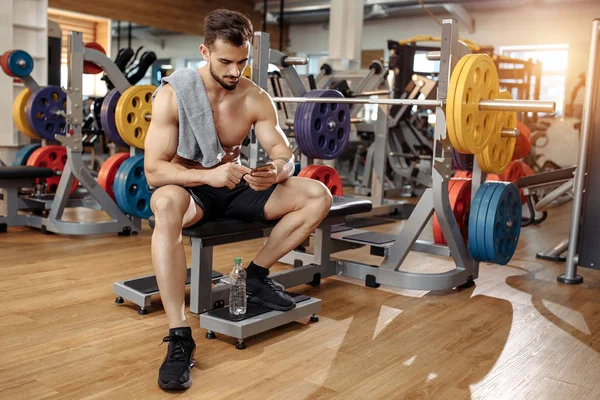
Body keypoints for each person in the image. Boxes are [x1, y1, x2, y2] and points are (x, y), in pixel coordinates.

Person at [144, 8, 333, 391]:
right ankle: (180, 336)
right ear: (204, 51)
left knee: (318, 194)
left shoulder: (254, 97)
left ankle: (257, 275)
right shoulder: (172, 95)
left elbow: (283, 151)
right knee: (164, 205)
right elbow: (154, 171)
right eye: (225, 62)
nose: (235, 71)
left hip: (235, 182)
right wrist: (205, 174)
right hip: (189, 186)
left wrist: (277, 171)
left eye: (242, 62)